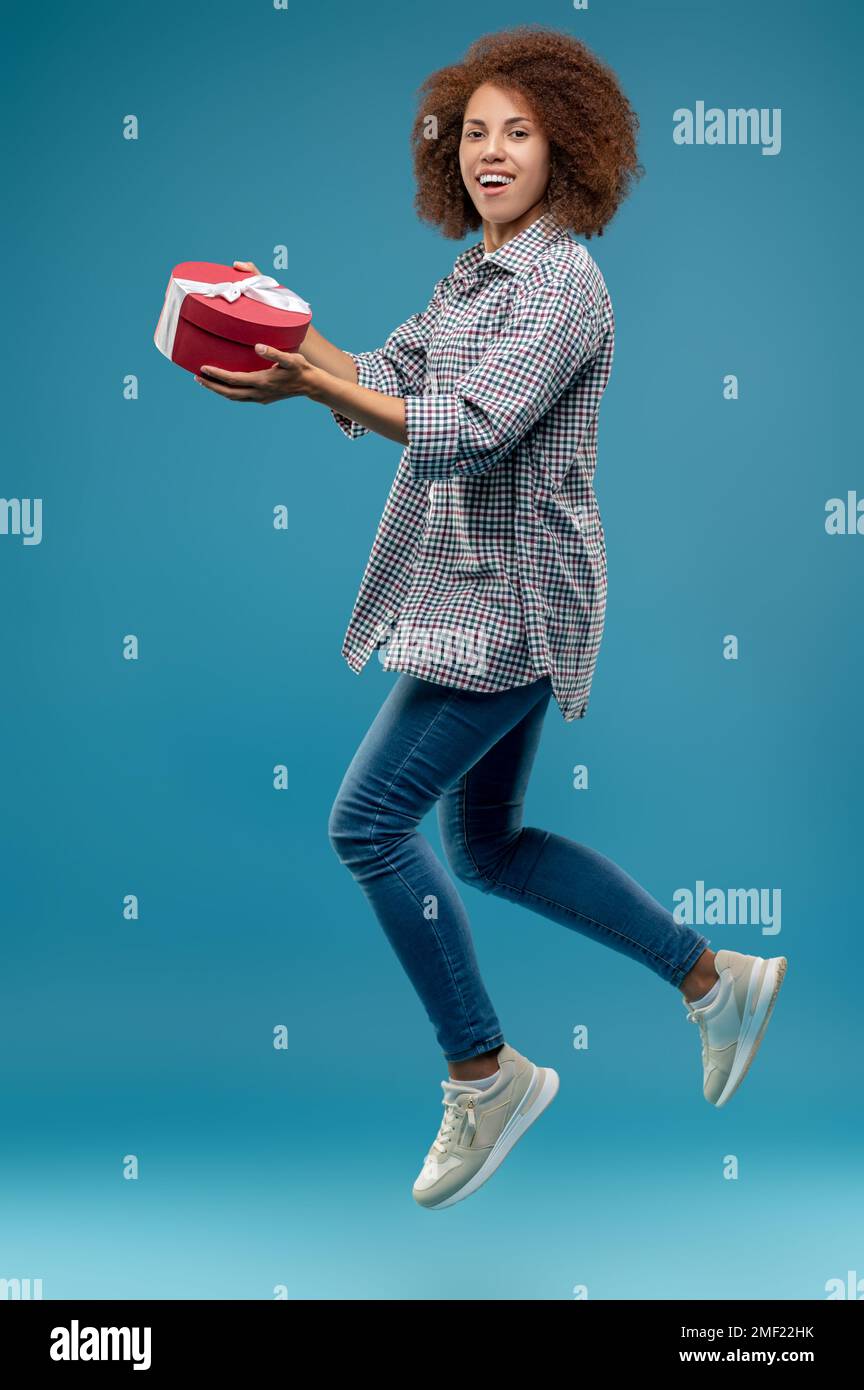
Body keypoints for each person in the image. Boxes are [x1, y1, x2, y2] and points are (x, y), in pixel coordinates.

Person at [194, 26, 788, 1211]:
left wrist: (318, 385)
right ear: (449, 152)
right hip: (466, 592)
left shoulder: (566, 283)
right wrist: (277, 327)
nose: (492, 152)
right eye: (475, 132)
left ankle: (484, 1071)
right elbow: (388, 371)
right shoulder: (473, 271)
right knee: (490, 846)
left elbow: (465, 428)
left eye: (518, 131)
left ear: (567, 146)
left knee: (367, 825)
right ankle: (715, 980)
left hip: (513, 602)